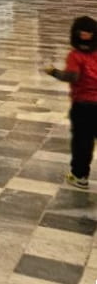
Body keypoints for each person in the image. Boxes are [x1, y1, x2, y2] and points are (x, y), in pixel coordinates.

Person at [44, 15, 97, 189]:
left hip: (83, 105)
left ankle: (79, 176)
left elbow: (72, 76)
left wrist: (53, 72)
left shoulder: (75, 56)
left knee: (82, 141)